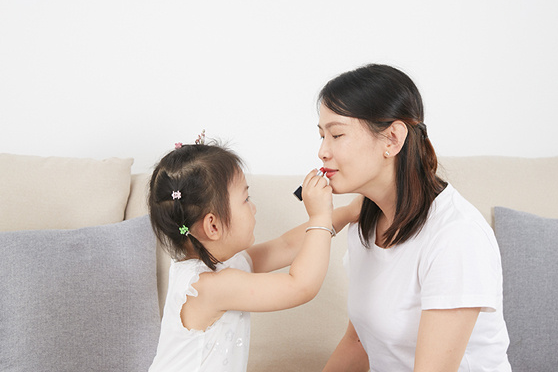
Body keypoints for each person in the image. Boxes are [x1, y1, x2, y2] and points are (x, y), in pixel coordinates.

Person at [318, 64, 511, 372]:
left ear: (392, 139)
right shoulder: (366, 222)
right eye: (321, 135)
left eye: (337, 134)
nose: (322, 151)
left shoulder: (457, 237)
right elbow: (359, 343)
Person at [147, 140, 356, 372]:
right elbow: (300, 287)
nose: (254, 208)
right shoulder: (207, 286)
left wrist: (347, 212)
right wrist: (319, 218)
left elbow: (286, 245)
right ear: (213, 226)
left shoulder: (225, 265)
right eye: (246, 199)